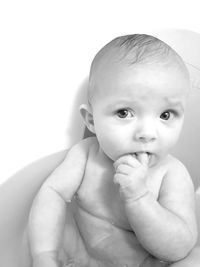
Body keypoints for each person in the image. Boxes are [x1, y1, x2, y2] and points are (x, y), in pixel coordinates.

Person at [28, 34, 200, 267]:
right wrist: (44, 255)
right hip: (77, 258)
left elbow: (179, 247)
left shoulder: (171, 173)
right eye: (124, 113)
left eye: (165, 115)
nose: (147, 133)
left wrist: (139, 198)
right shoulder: (84, 155)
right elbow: (52, 194)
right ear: (91, 120)